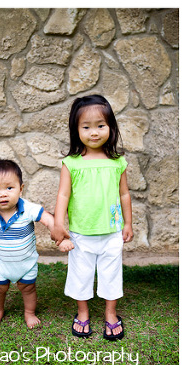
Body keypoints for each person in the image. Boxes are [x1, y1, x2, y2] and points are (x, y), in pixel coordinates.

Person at [50, 95, 133, 341]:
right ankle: (83, 312)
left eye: (100, 126)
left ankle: (110, 313)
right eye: (86, 127)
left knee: (111, 273)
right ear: (76, 130)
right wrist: (58, 223)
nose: (94, 132)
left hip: (111, 231)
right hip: (80, 233)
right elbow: (63, 195)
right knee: (81, 274)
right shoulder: (71, 163)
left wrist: (128, 223)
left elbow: (125, 194)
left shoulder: (117, 162)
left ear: (111, 127)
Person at [0, 160, 74, 329]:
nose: (3, 194)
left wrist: (61, 238)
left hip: (25, 263)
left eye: (9, 188)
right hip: (0, 262)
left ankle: (29, 313)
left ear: (21, 188)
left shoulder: (29, 209)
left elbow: (48, 219)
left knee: (28, 289)